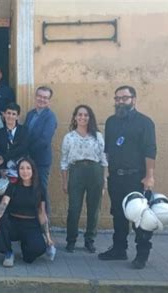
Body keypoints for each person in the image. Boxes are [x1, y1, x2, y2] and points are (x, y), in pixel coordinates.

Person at [98, 85, 157, 270]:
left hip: (136, 178)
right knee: (118, 214)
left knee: (139, 216)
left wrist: (149, 176)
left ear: (134, 99)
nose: (120, 101)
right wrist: (107, 175)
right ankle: (119, 249)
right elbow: (107, 151)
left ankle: (142, 254)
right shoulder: (111, 122)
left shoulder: (145, 123)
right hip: (116, 178)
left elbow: (150, 151)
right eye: (117, 98)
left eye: (124, 98)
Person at [60, 105, 108, 254]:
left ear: (90, 118)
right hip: (76, 172)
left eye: (86, 115)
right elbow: (64, 161)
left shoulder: (97, 136)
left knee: (94, 209)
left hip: (95, 171)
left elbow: (104, 159)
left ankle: (90, 240)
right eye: (79, 115)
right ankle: (71, 240)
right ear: (75, 117)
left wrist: (104, 180)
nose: (82, 117)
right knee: (74, 209)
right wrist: (64, 181)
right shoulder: (69, 137)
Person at [0, 158, 54, 267]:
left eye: (28, 168)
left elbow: (41, 213)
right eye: (22, 168)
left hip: (31, 224)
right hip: (14, 222)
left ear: (33, 170)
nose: (25, 171)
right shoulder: (13, 185)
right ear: (18, 171)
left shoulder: (40, 188)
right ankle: (8, 253)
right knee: (1, 221)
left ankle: (25, 244)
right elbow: (3, 204)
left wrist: (48, 237)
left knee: (35, 252)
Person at [0, 102, 29, 216]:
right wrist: (1, 167)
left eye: (13, 114)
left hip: (21, 169)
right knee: (4, 197)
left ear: (17, 116)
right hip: (5, 172)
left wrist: (4, 157)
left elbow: (22, 148)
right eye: (8, 113)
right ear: (4, 115)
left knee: (20, 196)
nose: (10, 116)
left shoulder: (24, 131)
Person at [25, 86, 57, 215]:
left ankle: (45, 223)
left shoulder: (50, 117)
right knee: (29, 191)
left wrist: (27, 151)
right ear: (35, 96)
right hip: (28, 160)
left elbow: (44, 140)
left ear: (49, 101)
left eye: (45, 98)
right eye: (40, 96)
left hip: (41, 161)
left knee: (42, 191)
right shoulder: (30, 114)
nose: (42, 100)